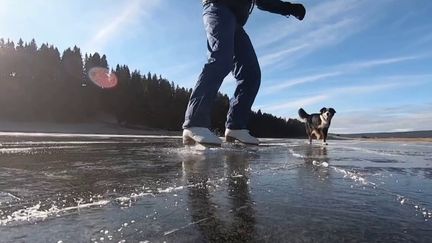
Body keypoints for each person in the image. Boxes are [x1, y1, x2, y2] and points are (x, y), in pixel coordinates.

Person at [183, 0, 306, 146]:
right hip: (217, 7)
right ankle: (194, 123)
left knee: (251, 74)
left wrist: (290, 8)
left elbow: (263, 1)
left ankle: (235, 127)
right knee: (221, 58)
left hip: (236, 23)